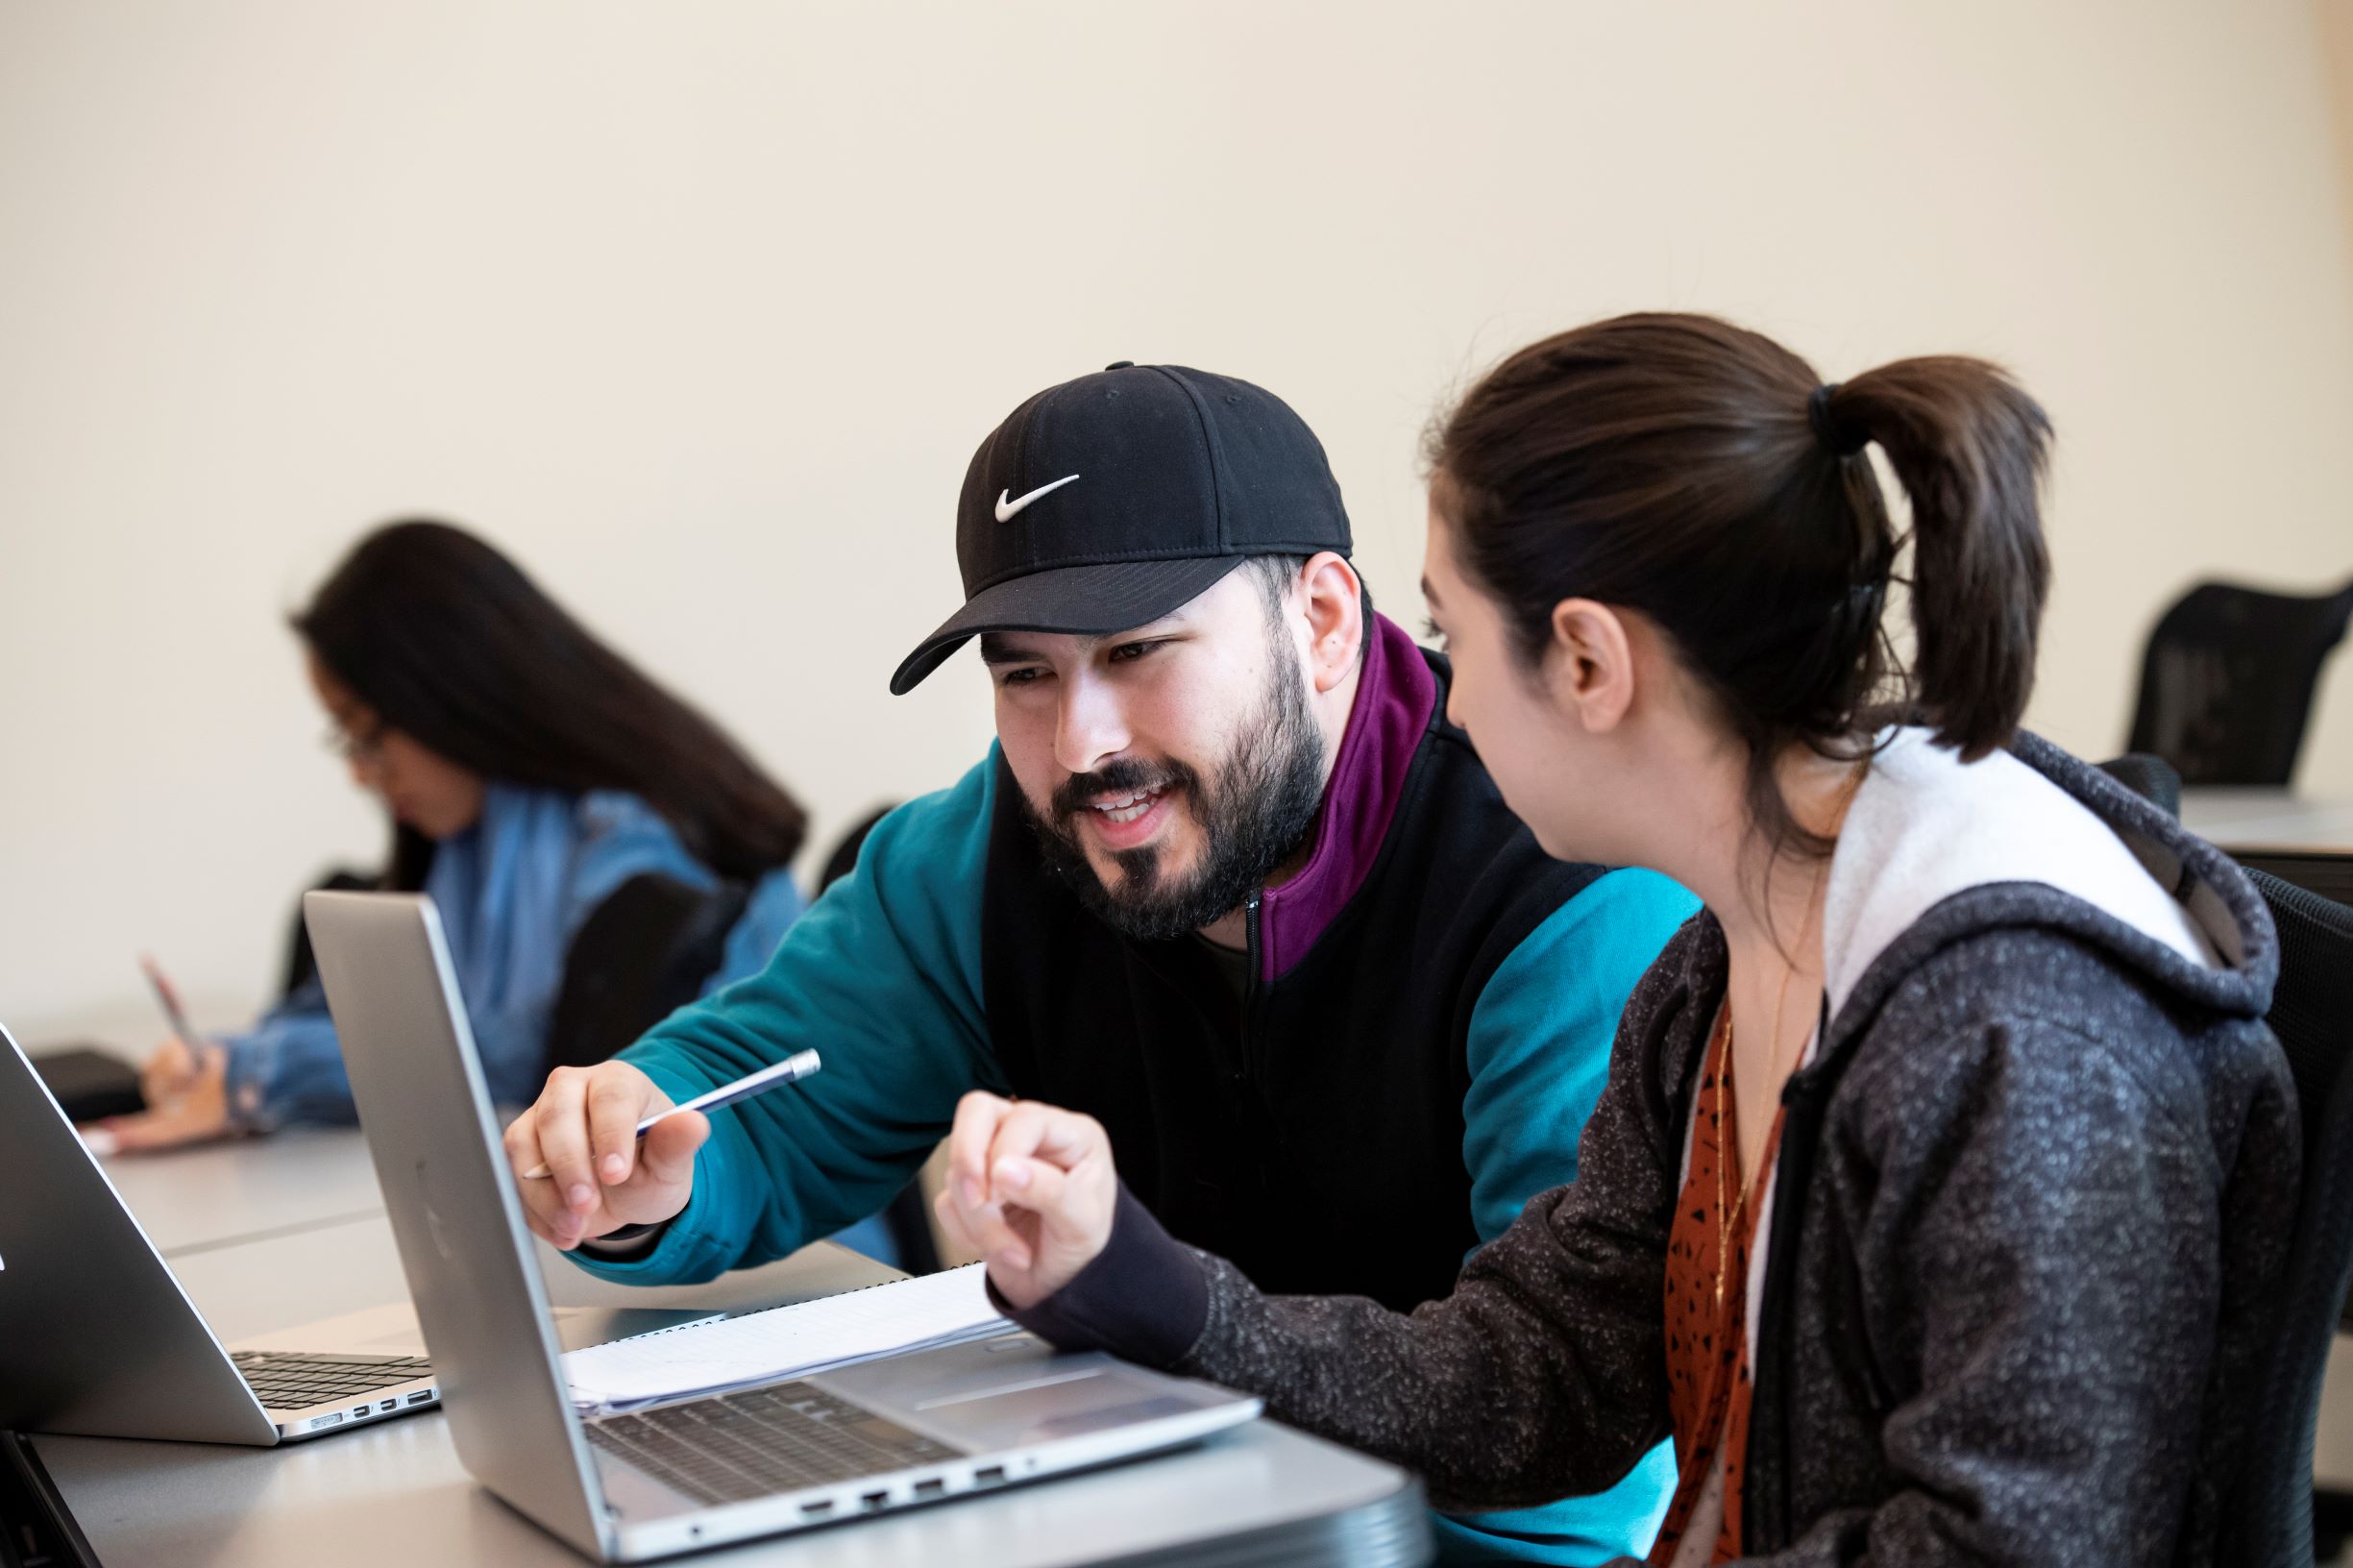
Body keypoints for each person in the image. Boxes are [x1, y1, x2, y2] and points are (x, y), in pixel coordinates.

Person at [932, 317, 2299, 1567]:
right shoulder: (1725, 958)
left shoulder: (2016, 1028)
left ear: (1586, 664)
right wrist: (1149, 1285)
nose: (1443, 704)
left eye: (1446, 634)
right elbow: (1550, 1371)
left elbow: (2024, 1546)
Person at [503, 362, 1699, 1563]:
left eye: (1136, 650)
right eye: (1026, 672)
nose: (1083, 745)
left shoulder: (1563, 890)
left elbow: (1558, 1490)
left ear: (1323, 621)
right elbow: (764, 1092)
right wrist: (641, 1156)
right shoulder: (980, 854)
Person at [108, 520, 812, 1153]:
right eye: (344, 742)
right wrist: (230, 1064)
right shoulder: (472, 831)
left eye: (368, 737)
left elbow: (532, 1055)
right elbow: (400, 1018)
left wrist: (264, 1071)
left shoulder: (634, 832)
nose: (362, 775)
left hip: (759, 1219)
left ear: (449, 695)